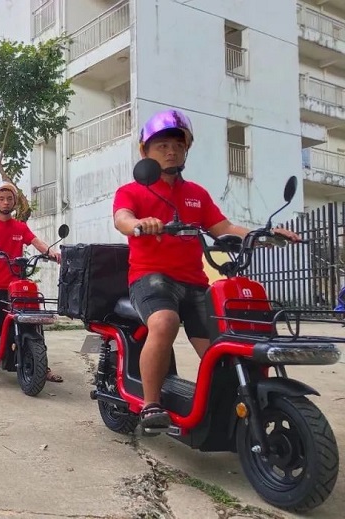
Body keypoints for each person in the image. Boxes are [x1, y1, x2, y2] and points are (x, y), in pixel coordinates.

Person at [112, 108, 300, 429]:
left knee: (224, 344)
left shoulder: (196, 194)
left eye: (178, 145)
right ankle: (151, 404)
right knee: (165, 322)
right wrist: (139, 223)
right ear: (145, 152)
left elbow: (223, 228)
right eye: (162, 146)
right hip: (151, 279)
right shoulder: (132, 190)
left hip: (195, 283)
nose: (171, 151)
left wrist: (264, 235)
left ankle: (236, 407)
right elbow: (122, 219)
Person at [0, 182, 63, 386]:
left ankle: (42, 365)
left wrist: (51, 253)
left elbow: (36, 242)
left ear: (14, 202)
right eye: (1, 199)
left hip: (15, 285)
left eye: (9, 199)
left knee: (34, 320)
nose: (6, 202)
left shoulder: (20, 227)